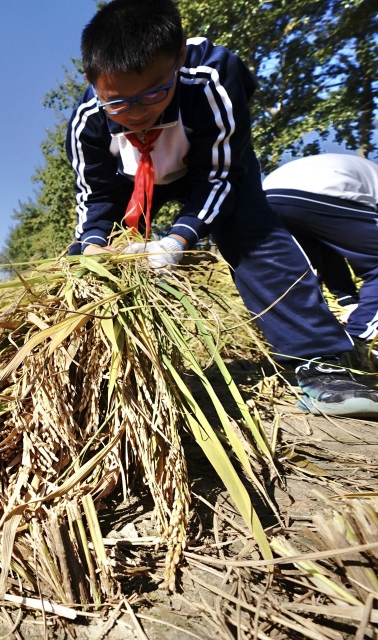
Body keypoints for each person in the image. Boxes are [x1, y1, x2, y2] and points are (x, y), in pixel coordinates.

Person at [64, 0, 378, 417]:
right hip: (132, 183)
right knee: (85, 263)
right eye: (118, 102)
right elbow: (96, 194)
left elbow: (220, 177)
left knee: (253, 234)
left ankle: (320, 363)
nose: (136, 114)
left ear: (177, 58)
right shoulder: (89, 118)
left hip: (212, 167)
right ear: (92, 81)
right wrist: (93, 246)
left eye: (153, 94)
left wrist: (177, 241)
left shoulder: (211, 78)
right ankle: (92, 378)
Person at [263, 153, 378, 368]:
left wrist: (347, 299)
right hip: (323, 190)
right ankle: (359, 341)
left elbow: (332, 247)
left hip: (269, 195)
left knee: (303, 273)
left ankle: (309, 351)